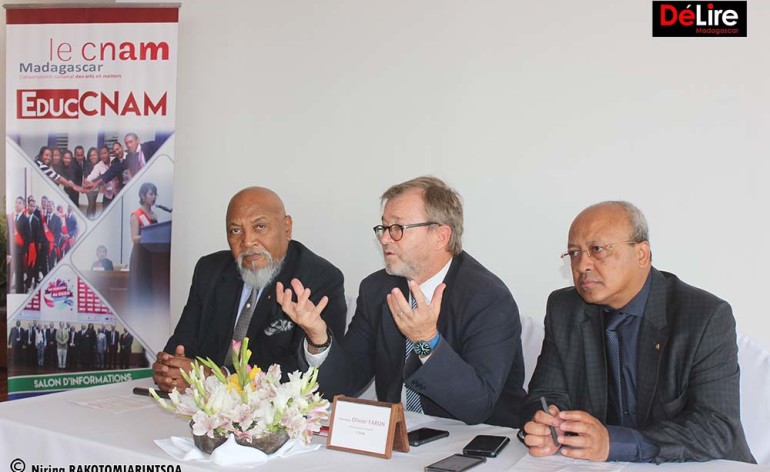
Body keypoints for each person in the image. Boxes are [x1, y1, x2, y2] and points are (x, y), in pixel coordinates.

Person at [282, 176, 526, 427]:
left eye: (397, 228)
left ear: (441, 236)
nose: (384, 239)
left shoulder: (487, 298)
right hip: (398, 434)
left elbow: (477, 405)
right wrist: (319, 338)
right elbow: (344, 384)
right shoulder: (377, 290)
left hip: (478, 437)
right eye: (383, 227)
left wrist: (426, 342)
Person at [523, 201, 755, 464]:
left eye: (597, 250)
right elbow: (545, 395)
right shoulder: (565, 309)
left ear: (642, 254)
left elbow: (716, 428)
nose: (582, 265)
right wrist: (548, 425)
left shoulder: (703, 317)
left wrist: (615, 443)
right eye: (574, 253)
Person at [152, 186, 347, 392]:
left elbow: (305, 372)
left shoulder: (318, 278)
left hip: (269, 408)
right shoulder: (209, 271)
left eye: (260, 227)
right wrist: (170, 370)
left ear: (287, 228)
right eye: (236, 231)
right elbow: (181, 345)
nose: (247, 241)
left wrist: (217, 378)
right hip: (201, 404)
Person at [127, 183, 159, 301]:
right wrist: (149, 236)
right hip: (140, 255)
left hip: (152, 255)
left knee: (149, 289)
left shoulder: (154, 215)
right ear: (142, 196)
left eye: (155, 194)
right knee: (139, 288)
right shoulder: (136, 215)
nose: (154, 197)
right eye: (151, 194)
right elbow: (134, 238)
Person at [7, 197, 30, 294]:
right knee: (8, 277)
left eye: (19, 203)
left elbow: (28, 238)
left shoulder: (25, 219)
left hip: (19, 254)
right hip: (9, 254)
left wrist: (22, 252)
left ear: (23, 206)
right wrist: (8, 253)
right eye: (16, 202)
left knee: (19, 277)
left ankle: (19, 295)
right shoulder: (10, 217)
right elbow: (8, 236)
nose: (17, 204)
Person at [83, 147, 101, 218]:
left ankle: (93, 218)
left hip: (96, 187)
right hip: (89, 188)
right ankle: (87, 219)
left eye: (94, 155)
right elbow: (86, 179)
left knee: (94, 204)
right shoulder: (87, 165)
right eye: (91, 155)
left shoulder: (100, 165)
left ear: (98, 155)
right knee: (91, 204)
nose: (93, 157)